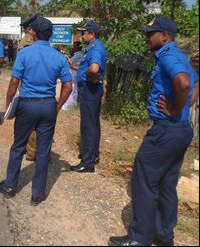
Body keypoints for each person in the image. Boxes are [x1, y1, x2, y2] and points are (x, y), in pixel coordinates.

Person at [109, 17, 199, 246]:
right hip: (180, 130)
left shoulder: (169, 55)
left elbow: (185, 83)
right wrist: (185, 106)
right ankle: (164, 235)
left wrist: (174, 108)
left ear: (165, 36)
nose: (147, 37)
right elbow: (195, 83)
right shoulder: (180, 56)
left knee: (144, 179)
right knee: (166, 184)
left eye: (151, 33)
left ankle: (140, 237)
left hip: (166, 130)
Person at [0, 16, 72, 206]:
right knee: (43, 151)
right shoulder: (59, 57)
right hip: (48, 105)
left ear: (33, 32)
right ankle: (37, 194)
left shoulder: (25, 54)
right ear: (50, 35)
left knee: (19, 145)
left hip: (27, 104)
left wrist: (9, 103)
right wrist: (57, 106)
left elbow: (14, 81)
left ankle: (10, 186)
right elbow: (67, 86)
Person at [69, 20, 107, 173]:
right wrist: (74, 67)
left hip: (90, 90)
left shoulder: (96, 49)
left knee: (88, 125)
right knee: (93, 124)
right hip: (91, 90)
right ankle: (92, 154)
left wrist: (88, 75)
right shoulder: (92, 47)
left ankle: (87, 162)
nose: (81, 35)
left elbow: (94, 68)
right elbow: (87, 67)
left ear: (92, 34)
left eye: (84, 33)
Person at [17, 14, 39, 161]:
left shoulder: (27, 42)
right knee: (33, 123)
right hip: (32, 84)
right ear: (30, 29)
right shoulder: (28, 42)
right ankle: (33, 151)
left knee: (29, 120)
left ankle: (31, 150)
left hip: (29, 85)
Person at [62, 41, 84, 110]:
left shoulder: (78, 54)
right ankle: (71, 105)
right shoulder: (76, 54)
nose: (72, 47)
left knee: (74, 90)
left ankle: (71, 106)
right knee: (73, 90)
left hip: (75, 75)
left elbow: (70, 62)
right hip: (73, 75)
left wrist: (66, 57)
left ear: (78, 47)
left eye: (74, 46)